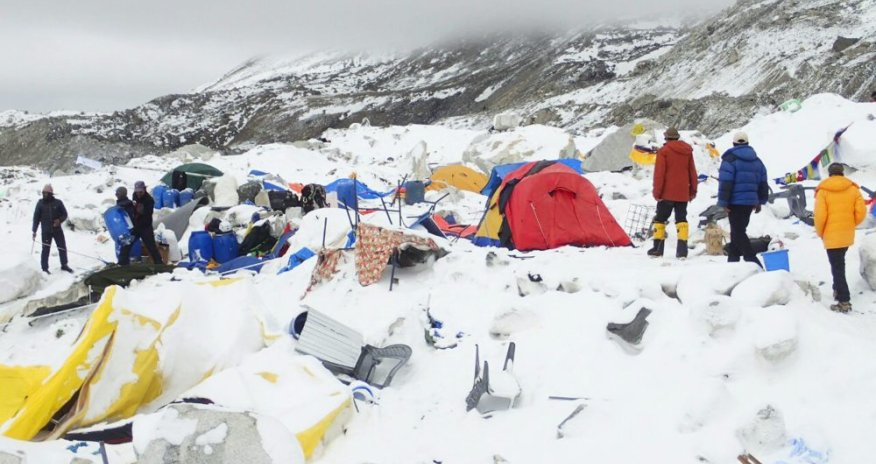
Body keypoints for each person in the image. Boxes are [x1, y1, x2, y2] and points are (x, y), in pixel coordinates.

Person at [814, 163, 866, 313]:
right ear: (842, 173)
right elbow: (861, 212)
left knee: (837, 267)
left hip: (831, 235)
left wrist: (820, 232)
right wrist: (851, 223)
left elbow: (820, 216)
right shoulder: (853, 189)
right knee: (839, 263)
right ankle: (837, 289)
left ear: (829, 173)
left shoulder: (823, 190)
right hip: (846, 233)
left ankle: (844, 300)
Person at [717, 131, 769, 268]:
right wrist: (760, 201)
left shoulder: (730, 160)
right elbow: (763, 182)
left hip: (734, 202)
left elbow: (725, 183)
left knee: (738, 232)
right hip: (750, 202)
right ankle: (732, 262)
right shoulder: (757, 161)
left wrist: (724, 202)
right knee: (737, 231)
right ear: (747, 143)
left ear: (733, 143)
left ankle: (752, 260)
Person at [649, 127, 698, 258]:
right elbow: (692, 171)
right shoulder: (687, 151)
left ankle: (657, 249)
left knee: (660, 219)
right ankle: (682, 251)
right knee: (681, 219)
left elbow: (659, 174)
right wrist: (693, 190)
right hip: (683, 192)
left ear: (666, 138)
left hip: (666, 193)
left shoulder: (663, 151)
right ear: (677, 137)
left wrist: (657, 192)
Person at [119, 181, 164, 265]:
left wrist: (140, 215)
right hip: (135, 227)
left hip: (145, 228)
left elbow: (147, 217)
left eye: (141, 192)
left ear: (144, 189)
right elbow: (132, 207)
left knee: (151, 247)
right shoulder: (134, 195)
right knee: (126, 244)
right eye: (137, 191)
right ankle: (122, 264)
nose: (138, 194)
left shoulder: (149, 200)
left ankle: (159, 265)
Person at [31, 184, 73, 274]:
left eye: (46, 193)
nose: (44, 195)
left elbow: (64, 214)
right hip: (46, 231)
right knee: (45, 249)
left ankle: (64, 265)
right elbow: (36, 218)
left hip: (57, 230)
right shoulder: (40, 204)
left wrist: (59, 220)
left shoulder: (58, 202)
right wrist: (34, 231)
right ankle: (44, 268)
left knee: (62, 247)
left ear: (51, 194)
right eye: (43, 193)